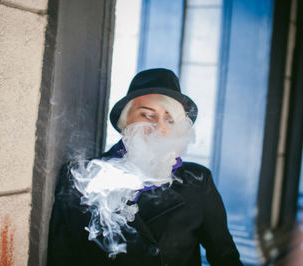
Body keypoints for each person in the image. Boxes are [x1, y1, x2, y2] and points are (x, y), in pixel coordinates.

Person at [47, 68, 242, 266]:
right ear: (125, 121)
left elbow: (225, 258)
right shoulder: (83, 176)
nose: (159, 127)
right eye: (148, 115)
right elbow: (63, 255)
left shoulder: (197, 182)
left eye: (169, 119)